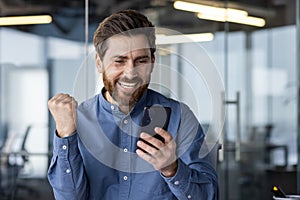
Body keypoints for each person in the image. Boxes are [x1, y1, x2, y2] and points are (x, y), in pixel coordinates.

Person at [47, 9, 219, 200]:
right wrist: (65, 137)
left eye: (141, 60)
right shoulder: (77, 121)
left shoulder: (179, 117)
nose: (130, 73)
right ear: (99, 62)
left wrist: (172, 169)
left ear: (153, 61)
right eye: (119, 61)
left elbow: (209, 196)